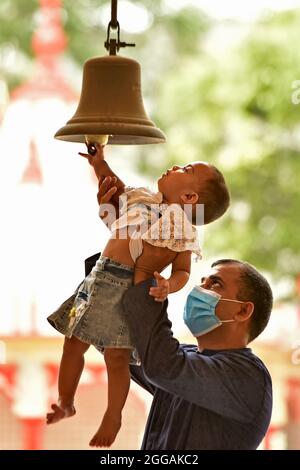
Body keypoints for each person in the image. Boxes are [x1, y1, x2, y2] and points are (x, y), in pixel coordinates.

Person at [46, 143, 230, 448]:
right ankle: (66, 401)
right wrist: (98, 164)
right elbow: (113, 186)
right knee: (73, 343)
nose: (175, 166)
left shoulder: (181, 229)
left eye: (186, 169)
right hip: (99, 277)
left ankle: (113, 415)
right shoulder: (142, 198)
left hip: (127, 288)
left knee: (117, 358)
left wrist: (168, 285)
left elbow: (182, 271)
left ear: (189, 198)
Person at [121, 256, 273, 450]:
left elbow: (162, 364)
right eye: (203, 281)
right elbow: (118, 344)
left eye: (215, 283)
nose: (200, 289)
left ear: (243, 311)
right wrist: (116, 262)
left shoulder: (248, 376)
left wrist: (146, 275)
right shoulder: (188, 358)